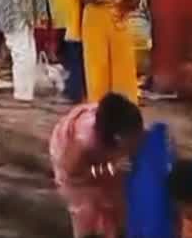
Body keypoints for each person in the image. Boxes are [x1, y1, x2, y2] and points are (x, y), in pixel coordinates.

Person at [49, 93, 145, 238]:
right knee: (87, 213)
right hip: (75, 173)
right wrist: (108, 169)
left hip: (107, 158)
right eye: (133, 139)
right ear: (118, 138)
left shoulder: (125, 124)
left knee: (118, 204)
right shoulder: (84, 142)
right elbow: (73, 174)